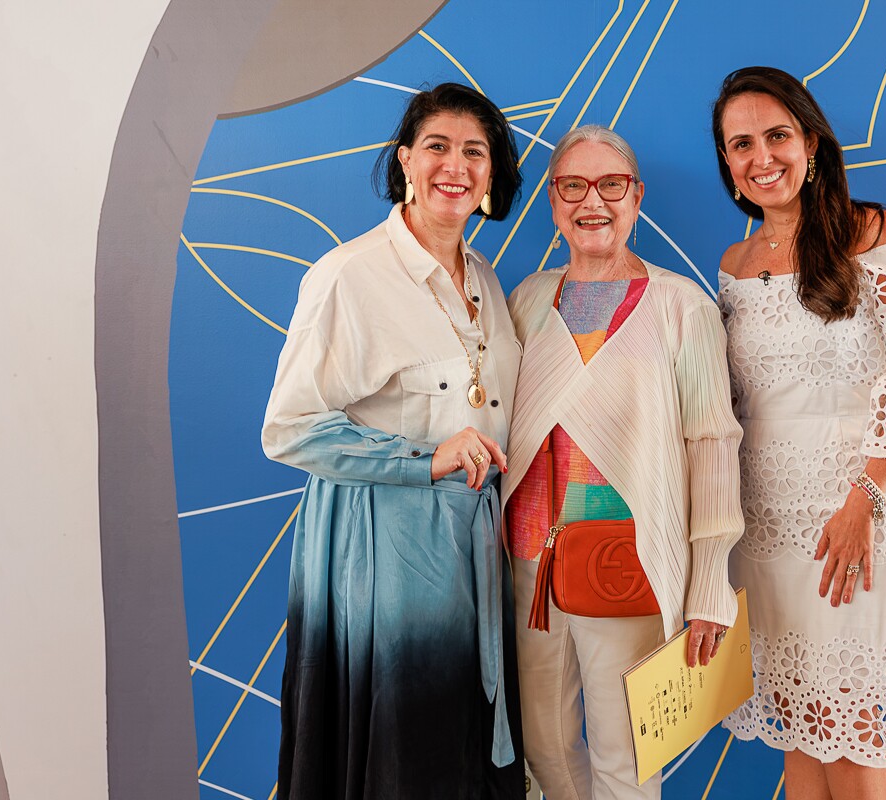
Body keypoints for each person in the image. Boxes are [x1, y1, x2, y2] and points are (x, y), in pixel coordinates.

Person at [261, 83, 525, 800]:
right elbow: (288, 429)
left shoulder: (490, 282)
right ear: (405, 160)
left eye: (476, 151)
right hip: (382, 566)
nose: (456, 165)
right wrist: (422, 459)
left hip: (475, 563)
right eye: (437, 146)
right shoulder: (351, 275)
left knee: (464, 757)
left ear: (492, 174)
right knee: (400, 764)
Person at [712, 67, 886, 799]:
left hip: (858, 521)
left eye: (778, 136)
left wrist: (862, 502)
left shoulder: (880, 232)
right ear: (727, 163)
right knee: (797, 737)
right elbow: (736, 404)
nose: (762, 157)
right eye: (741, 144)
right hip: (765, 532)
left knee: (854, 744)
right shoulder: (732, 267)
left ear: (812, 142)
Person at [502, 124, 745, 800]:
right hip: (529, 571)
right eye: (573, 186)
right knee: (543, 750)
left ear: (636, 196)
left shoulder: (681, 307)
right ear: (553, 202)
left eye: (611, 185)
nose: (593, 202)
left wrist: (709, 586)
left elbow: (712, 443)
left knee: (626, 761)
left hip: (624, 566)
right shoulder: (526, 300)